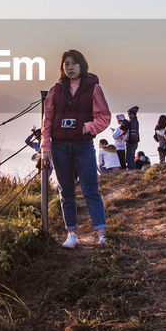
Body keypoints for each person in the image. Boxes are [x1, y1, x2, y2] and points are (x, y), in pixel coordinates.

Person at [40, 50, 111, 247]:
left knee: (90, 189)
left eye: (73, 64)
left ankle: (101, 233)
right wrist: (45, 148)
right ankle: (71, 234)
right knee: (66, 191)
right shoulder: (55, 91)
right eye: (66, 64)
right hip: (59, 146)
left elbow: (104, 117)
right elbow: (47, 121)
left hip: (83, 145)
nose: (70, 68)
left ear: (82, 66)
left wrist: (86, 128)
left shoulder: (93, 88)